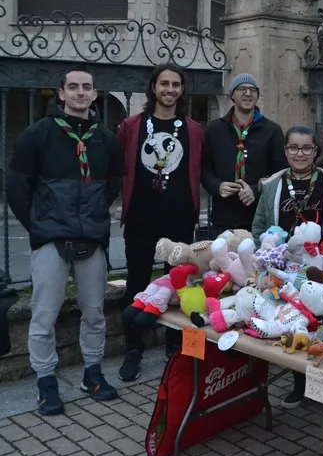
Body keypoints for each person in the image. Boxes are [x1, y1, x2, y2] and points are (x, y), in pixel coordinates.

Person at [6, 69, 123, 415]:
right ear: (60, 93)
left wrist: (96, 214)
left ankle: (93, 374)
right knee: (44, 316)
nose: (80, 93)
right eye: (73, 87)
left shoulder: (106, 139)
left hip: (92, 238)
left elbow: (113, 183)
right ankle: (46, 382)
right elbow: (17, 186)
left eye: (86, 87)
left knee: (95, 313)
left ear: (95, 93)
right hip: (50, 240)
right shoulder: (37, 135)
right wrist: (38, 226)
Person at [251, 125, 323, 408]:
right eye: (293, 148)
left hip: (321, 267)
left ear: (316, 151)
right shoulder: (272, 185)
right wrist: (268, 256)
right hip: (285, 270)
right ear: (285, 151)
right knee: (292, 323)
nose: (300, 154)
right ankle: (300, 384)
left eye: (307, 148)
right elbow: (259, 225)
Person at [117, 63, 204, 380]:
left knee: (180, 285)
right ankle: (133, 348)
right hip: (141, 219)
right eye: (164, 83)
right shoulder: (132, 125)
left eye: (176, 84)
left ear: (182, 90)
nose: (170, 89)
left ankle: (175, 346)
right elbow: (120, 169)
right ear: (153, 87)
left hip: (180, 220)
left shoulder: (193, 129)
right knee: (137, 285)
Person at [202, 73, 286, 236]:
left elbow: (281, 173)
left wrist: (255, 190)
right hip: (223, 218)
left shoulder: (272, 131)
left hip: (259, 218)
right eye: (241, 89)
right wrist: (217, 186)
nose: (248, 93)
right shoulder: (214, 130)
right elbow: (204, 170)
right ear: (232, 95)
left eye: (252, 90)